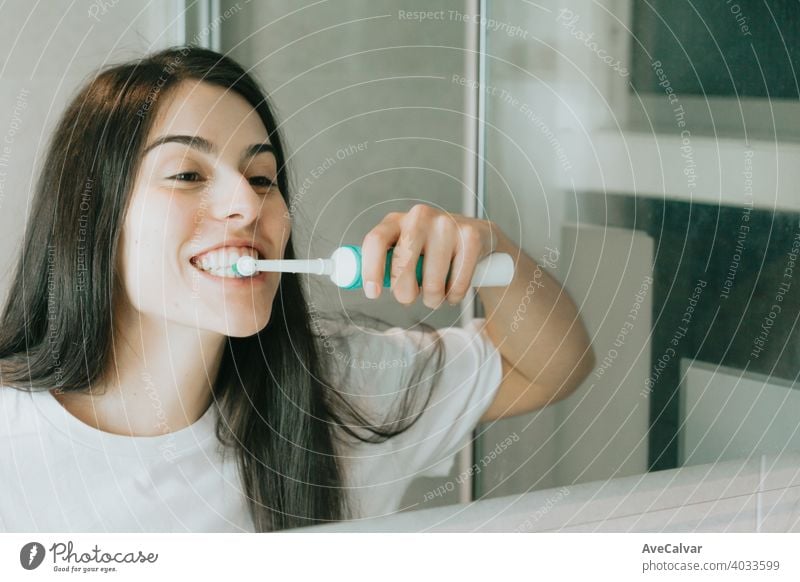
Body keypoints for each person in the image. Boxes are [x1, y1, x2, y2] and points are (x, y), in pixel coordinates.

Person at [0, 46, 594, 532]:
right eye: (187, 174)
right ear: (90, 220)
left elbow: (555, 366)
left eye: (263, 177)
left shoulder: (337, 389)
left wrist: (491, 248)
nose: (247, 202)